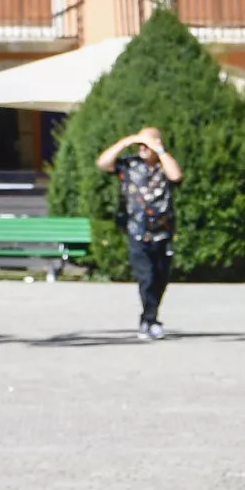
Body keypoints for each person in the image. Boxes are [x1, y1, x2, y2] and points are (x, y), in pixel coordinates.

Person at [95, 124, 181, 341]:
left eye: (148, 144)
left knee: (160, 277)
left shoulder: (164, 164)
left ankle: (150, 317)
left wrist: (160, 150)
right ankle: (149, 320)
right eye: (141, 144)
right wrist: (125, 143)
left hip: (163, 231)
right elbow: (103, 163)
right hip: (136, 230)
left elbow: (176, 176)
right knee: (146, 276)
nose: (143, 148)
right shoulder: (129, 165)